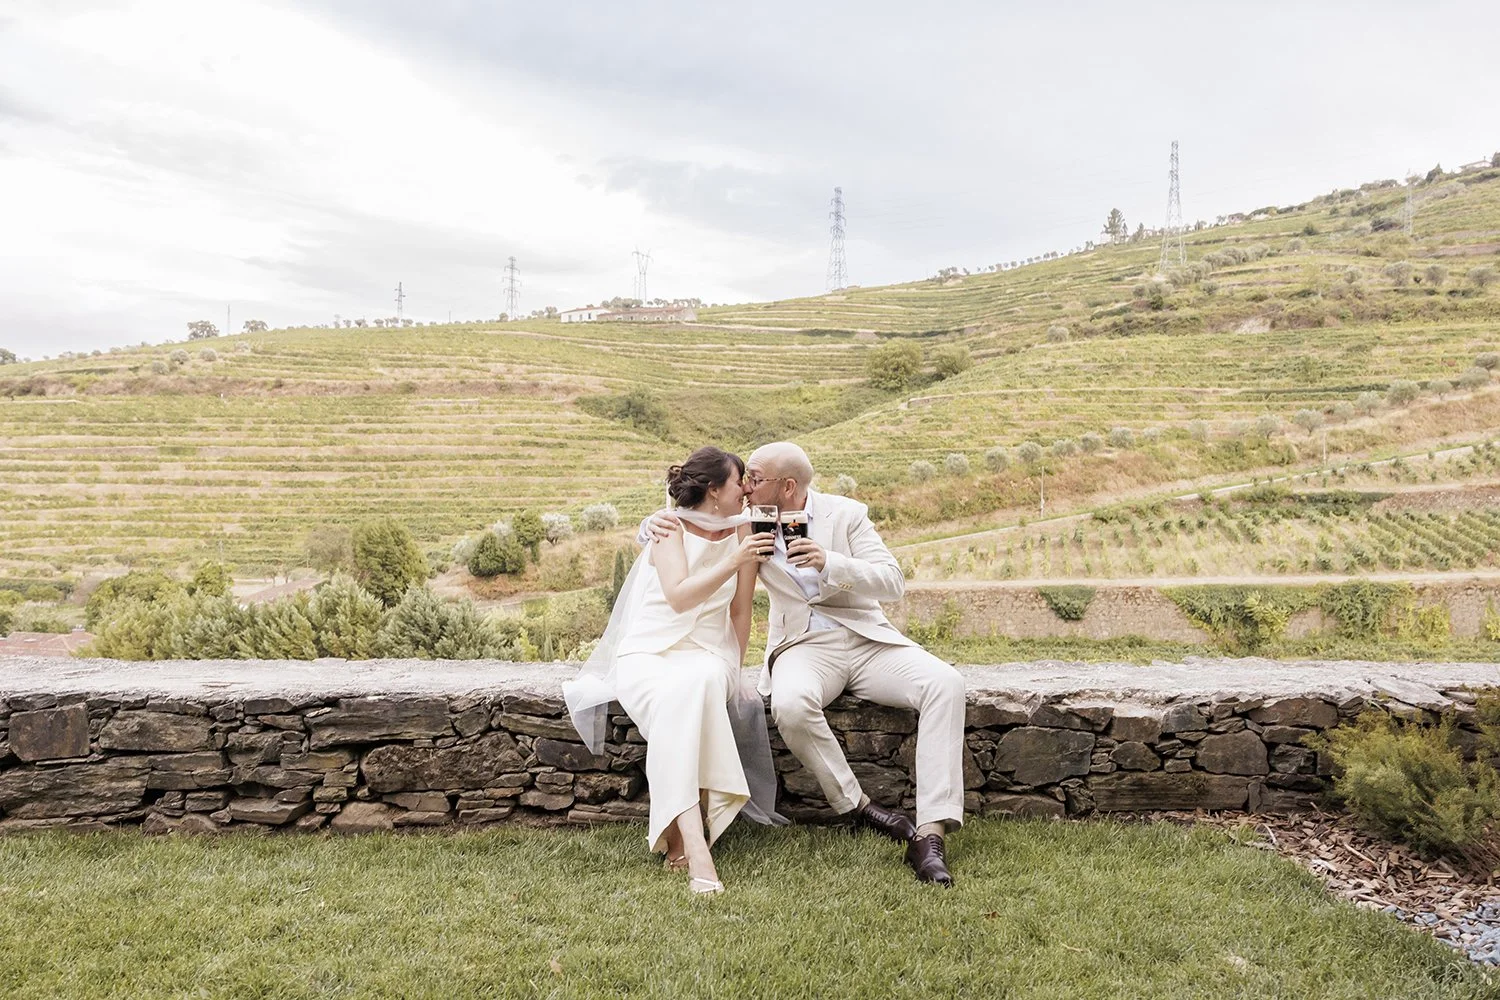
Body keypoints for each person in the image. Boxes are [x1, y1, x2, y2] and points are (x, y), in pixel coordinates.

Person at [643, 441, 966, 885]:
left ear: (788, 485)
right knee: (791, 705)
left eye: (756, 479)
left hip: (867, 639)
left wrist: (830, 561)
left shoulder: (846, 514)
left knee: (946, 683)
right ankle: (859, 806)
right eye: (746, 479)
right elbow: (695, 521)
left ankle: (930, 834)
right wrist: (650, 523)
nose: (748, 486)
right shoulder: (751, 520)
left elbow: (893, 582)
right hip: (802, 646)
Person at [565, 446, 782, 896]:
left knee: (699, 681)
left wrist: (735, 666)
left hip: (709, 652)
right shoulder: (667, 527)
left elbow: (741, 611)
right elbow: (680, 597)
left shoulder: (747, 530)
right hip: (648, 654)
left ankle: (688, 843)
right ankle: (694, 840)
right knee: (685, 692)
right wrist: (733, 560)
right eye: (738, 481)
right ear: (713, 489)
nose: (745, 489)